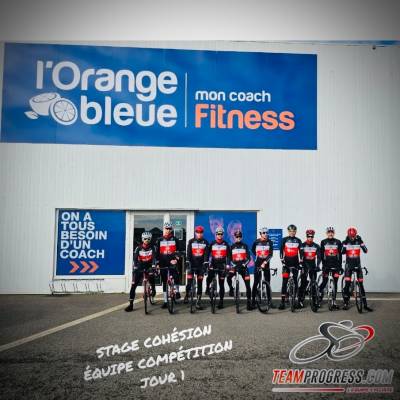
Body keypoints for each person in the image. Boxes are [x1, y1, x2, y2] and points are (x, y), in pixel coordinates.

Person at [342, 227, 373, 311]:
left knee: (361, 285)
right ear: (348, 235)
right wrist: (345, 243)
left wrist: (361, 242)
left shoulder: (359, 241)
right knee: (347, 284)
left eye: (354, 236)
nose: (352, 238)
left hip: (357, 265)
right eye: (351, 236)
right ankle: (346, 303)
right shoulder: (345, 242)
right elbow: (342, 252)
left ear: (356, 235)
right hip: (348, 266)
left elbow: (366, 251)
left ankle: (365, 305)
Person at [125, 231, 156, 312]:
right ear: (142, 239)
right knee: (133, 285)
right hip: (140, 267)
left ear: (150, 239)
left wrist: (153, 266)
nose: (146, 240)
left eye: (148, 239)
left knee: (152, 276)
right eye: (145, 239)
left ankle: (153, 289)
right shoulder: (138, 248)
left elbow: (154, 258)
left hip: (149, 266)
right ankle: (131, 304)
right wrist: (135, 267)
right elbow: (135, 258)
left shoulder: (153, 247)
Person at [155, 222, 181, 309]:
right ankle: (165, 301)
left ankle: (177, 291)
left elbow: (178, 251)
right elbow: (157, 253)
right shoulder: (159, 240)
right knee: (164, 282)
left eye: (169, 229)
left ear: (171, 230)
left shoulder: (175, 239)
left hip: (172, 262)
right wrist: (157, 263)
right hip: (163, 263)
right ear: (164, 229)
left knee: (176, 277)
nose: (168, 230)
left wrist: (176, 259)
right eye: (166, 228)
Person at [184, 225, 209, 310]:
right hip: (192, 265)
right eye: (198, 232)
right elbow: (188, 253)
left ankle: (198, 301)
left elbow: (206, 255)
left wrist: (206, 263)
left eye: (201, 232)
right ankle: (187, 295)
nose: (199, 234)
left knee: (200, 283)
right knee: (189, 282)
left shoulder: (205, 242)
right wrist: (187, 261)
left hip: (200, 266)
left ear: (203, 233)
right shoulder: (191, 241)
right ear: (195, 233)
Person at [279, 224, 303, 310]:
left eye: (293, 231)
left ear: (295, 232)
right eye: (290, 231)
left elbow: (301, 252)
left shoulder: (298, 240)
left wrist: (301, 262)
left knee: (295, 281)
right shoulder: (284, 239)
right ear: (288, 231)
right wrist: (282, 261)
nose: (292, 232)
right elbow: (281, 251)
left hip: (295, 263)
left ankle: (295, 299)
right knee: (284, 282)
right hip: (286, 264)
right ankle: (282, 302)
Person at [228, 230, 253, 310]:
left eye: (239, 236)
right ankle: (231, 289)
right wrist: (232, 264)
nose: (238, 238)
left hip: (243, 267)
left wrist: (244, 264)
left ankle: (249, 303)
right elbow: (229, 258)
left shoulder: (245, 246)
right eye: (237, 236)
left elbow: (248, 258)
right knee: (228, 277)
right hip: (234, 267)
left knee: (248, 286)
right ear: (234, 237)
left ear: (241, 237)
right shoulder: (231, 246)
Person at [206, 226, 230, 309]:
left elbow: (229, 256)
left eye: (221, 234)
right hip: (213, 264)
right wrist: (207, 262)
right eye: (218, 234)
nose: (219, 235)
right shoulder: (212, 243)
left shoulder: (226, 244)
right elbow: (207, 254)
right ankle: (207, 288)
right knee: (209, 277)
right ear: (216, 234)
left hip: (222, 265)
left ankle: (221, 301)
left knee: (221, 284)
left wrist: (228, 265)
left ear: (223, 234)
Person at [319, 226, 342, 310]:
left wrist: (340, 266)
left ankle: (334, 301)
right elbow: (321, 255)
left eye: (332, 232)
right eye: (329, 232)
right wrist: (323, 265)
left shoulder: (338, 242)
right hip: (326, 266)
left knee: (335, 283)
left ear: (334, 233)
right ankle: (319, 295)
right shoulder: (323, 242)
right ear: (326, 233)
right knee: (324, 282)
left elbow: (340, 255)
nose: (330, 233)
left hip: (336, 266)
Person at [251, 227, 275, 308]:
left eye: (266, 233)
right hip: (258, 264)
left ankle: (269, 302)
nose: (265, 234)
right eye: (264, 233)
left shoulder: (270, 242)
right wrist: (259, 257)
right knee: (256, 282)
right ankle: (253, 301)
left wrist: (265, 262)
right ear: (260, 234)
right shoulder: (256, 242)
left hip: (266, 264)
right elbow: (253, 250)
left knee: (268, 282)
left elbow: (270, 254)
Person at [297, 229, 321, 308]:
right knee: (303, 283)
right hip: (305, 266)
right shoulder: (303, 245)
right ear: (306, 236)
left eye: (311, 236)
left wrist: (318, 266)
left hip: (313, 266)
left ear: (313, 237)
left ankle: (314, 301)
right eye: (308, 236)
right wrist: (301, 263)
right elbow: (301, 256)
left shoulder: (316, 246)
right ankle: (300, 301)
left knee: (313, 284)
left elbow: (319, 257)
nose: (310, 238)